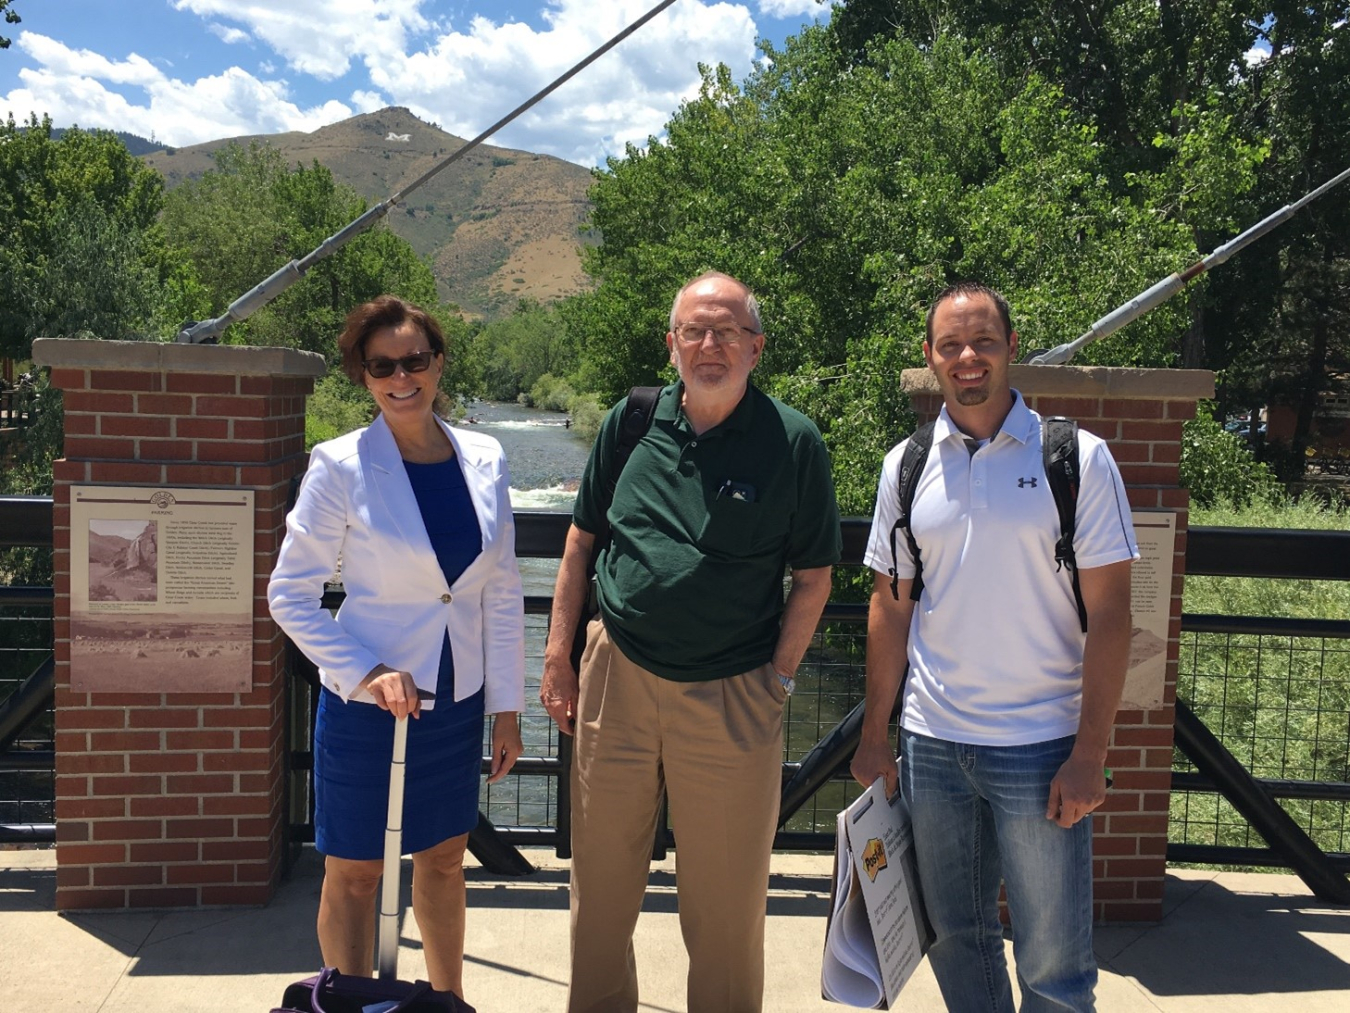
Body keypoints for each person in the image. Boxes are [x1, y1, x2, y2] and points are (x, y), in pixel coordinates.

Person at [539, 271, 841, 1013]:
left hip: (734, 691)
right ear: (671, 344)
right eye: (695, 331)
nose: (711, 345)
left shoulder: (793, 442)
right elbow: (580, 542)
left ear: (756, 346)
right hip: (618, 677)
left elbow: (814, 578)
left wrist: (777, 680)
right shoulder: (632, 420)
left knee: (728, 909)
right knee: (601, 894)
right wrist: (558, 656)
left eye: (728, 331)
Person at [852, 282, 1137, 1012]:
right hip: (933, 745)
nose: (967, 357)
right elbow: (890, 604)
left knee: (1055, 966)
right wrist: (875, 732)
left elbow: (1111, 617)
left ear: (1012, 347)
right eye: (950, 344)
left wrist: (1090, 752)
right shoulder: (905, 466)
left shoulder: (1076, 459)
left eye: (982, 341)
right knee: (957, 940)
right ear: (930, 357)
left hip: (1042, 747)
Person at [269, 295, 525, 999]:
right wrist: (367, 670)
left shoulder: (486, 457)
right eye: (382, 364)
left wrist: (507, 706)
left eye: (415, 359)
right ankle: (350, 1001)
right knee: (355, 871)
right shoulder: (340, 466)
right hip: (365, 708)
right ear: (364, 375)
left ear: (438, 362)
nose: (401, 376)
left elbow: (499, 591)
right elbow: (289, 595)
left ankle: (448, 1001)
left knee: (443, 859)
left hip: (456, 702)